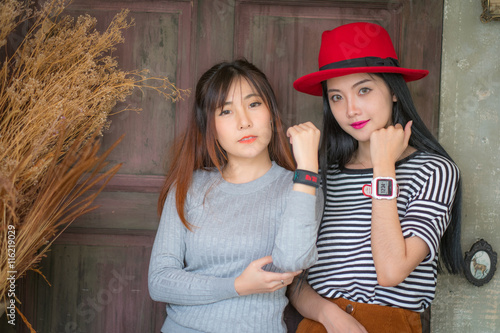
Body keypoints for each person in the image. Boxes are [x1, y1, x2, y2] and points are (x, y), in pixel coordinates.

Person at [287, 22, 463, 333]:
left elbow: (391, 270)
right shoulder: (324, 174)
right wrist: (331, 317)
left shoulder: (434, 171)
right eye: (336, 97)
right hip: (318, 324)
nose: (350, 110)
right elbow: (294, 278)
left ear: (394, 91)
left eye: (364, 90)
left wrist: (384, 166)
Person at [148, 59, 323, 333]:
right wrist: (236, 286)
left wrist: (308, 168)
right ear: (210, 125)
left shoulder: (301, 187)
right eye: (226, 111)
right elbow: (159, 281)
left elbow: (291, 262)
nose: (244, 122)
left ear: (271, 112)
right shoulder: (189, 186)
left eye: (254, 104)